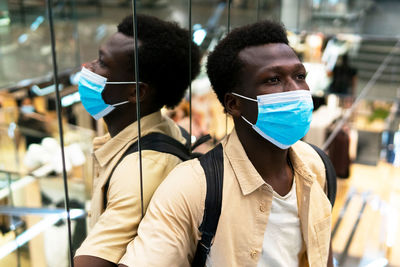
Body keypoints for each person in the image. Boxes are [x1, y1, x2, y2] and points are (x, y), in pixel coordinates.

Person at [119, 20, 333, 267]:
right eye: (273, 80)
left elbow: (320, 252)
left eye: (299, 76)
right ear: (234, 104)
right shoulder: (192, 187)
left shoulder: (315, 165)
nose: (296, 90)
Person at [74, 14, 200, 266]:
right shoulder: (161, 130)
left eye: (102, 62)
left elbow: (92, 262)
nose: (88, 67)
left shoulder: (141, 167)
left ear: (135, 91)